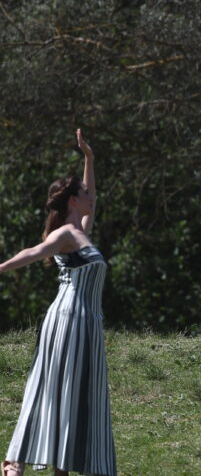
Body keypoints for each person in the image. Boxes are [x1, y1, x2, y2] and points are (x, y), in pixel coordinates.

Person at [2, 130, 116, 476]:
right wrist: (2, 267)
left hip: (87, 322)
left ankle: (58, 467)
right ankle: (16, 460)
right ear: (72, 202)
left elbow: (92, 192)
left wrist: (89, 159)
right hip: (68, 320)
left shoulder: (81, 229)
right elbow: (34, 253)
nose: (90, 197)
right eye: (83, 195)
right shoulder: (64, 234)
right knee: (56, 388)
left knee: (74, 392)